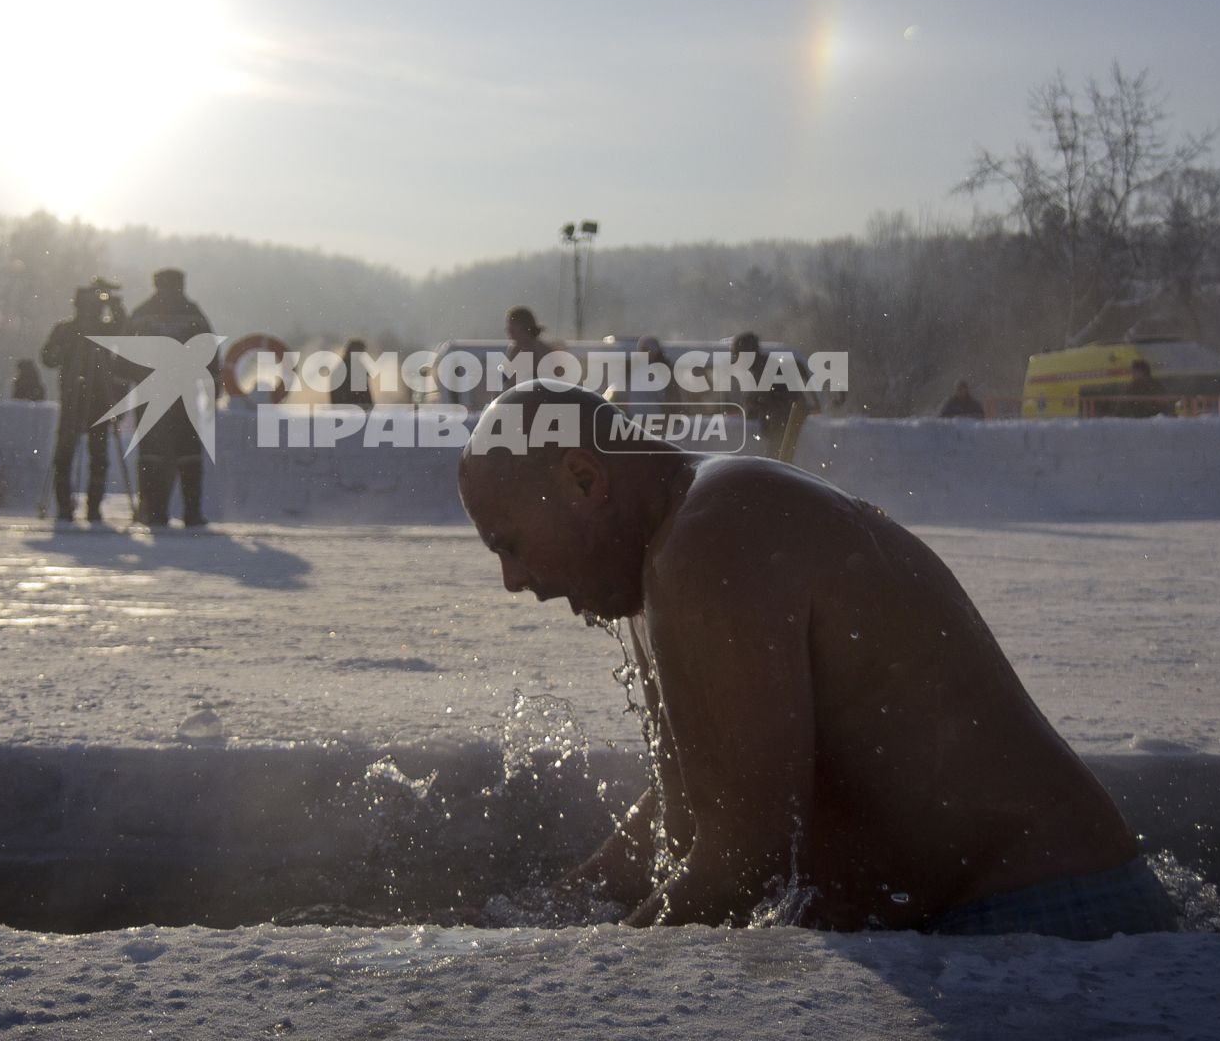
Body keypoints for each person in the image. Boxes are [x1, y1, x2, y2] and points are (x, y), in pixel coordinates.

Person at [456, 381, 1175, 938]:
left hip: (1048, 923)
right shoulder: (683, 539)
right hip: (1011, 919)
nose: (514, 582)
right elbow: (710, 790)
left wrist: (588, 975)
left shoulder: (712, 540)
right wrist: (566, 903)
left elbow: (745, 865)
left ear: (584, 479)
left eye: (509, 544)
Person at [124, 268, 218, 527]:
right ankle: (191, 512)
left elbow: (124, 354)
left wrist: (128, 383)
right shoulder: (193, 313)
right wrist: (213, 393)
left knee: (151, 454)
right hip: (184, 393)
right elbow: (210, 354)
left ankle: (152, 511)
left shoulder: (142, 313)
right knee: (188, 454)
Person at [40, 281, 125, 523]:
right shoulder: (67, 331)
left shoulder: (102, 331)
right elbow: (48, 357)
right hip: (74, 398)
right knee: (66, 455)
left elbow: (124, 328)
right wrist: (67, 348)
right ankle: (65, 507)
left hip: (98, 400)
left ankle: (92, 508)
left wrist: (115, 305)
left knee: (97, 457)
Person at [730, 331, 812, 461]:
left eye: (737, 354)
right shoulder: (763, 365)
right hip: (787, 416)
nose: (736, 359)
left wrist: (751, 410)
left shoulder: (763, 368)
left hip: (785, 418)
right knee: (779, 458)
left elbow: (761, 400)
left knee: (778, 459)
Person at [327, 338, 374, 410]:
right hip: (351, 409)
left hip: (347, 409)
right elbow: (364, 394)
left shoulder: (342, 367)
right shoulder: (352, 367)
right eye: (359, 350)